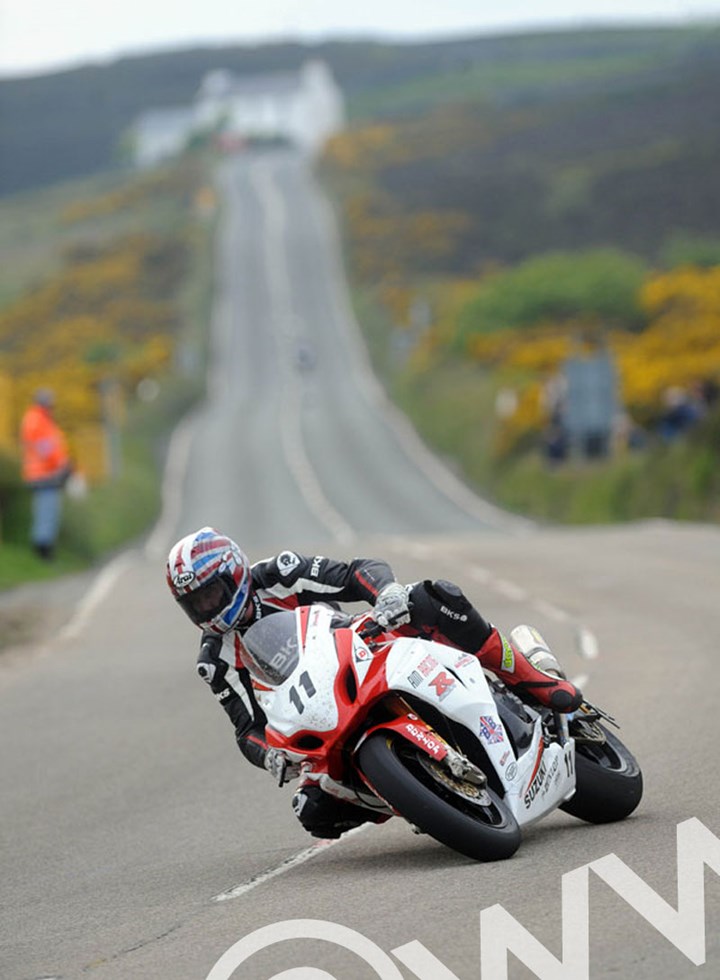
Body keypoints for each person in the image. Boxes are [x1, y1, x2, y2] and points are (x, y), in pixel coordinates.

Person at [166, 527, 583, 839]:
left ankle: (529, 677)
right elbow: (247, 729)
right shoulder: (214, 660)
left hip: (360, 648)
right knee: (313, 811)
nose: (207, 608)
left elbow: (354, 572)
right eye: (195, 603)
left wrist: (386, 593)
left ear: (234, 572)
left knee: (431, 598)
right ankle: (418, 796)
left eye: (211, 593)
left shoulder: (279, 575)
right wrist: (269, 755)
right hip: (314, 706)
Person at [19, 388, 72, 560]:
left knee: (47, 510)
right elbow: (45, 448)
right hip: (43, 474)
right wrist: (60, 466)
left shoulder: (39, 419)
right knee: (47, 510)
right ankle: (43, 549)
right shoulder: (37, 420)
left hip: (43, 473)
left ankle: (44, 546)